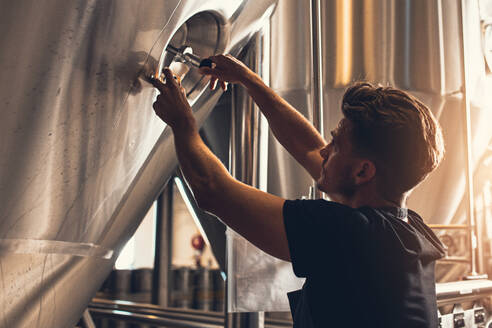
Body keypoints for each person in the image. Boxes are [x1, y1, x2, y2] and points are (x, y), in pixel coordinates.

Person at [150, 54, 446, 327]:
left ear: (363, 172)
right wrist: (249, 80)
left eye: (336, 144)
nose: (324, 151)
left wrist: (183, 122)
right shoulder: (405, 228)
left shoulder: (350, 234)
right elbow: (309, 149)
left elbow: (212, 190)